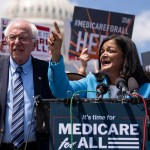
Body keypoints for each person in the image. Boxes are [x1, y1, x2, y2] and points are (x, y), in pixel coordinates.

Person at [47, 22, 150, 99]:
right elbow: (62, 91)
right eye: (102, 51)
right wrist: (56, 54)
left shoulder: (145, 89)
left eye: (110, 51)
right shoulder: (92, 82)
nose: (103, 54)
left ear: (125, 57)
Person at [0, 18, 54, 150]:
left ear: (34, 45)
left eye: (23, 38)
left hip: (35, 146)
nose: (17, 42)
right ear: (7, 41)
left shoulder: (46, 70)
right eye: (12, 37)